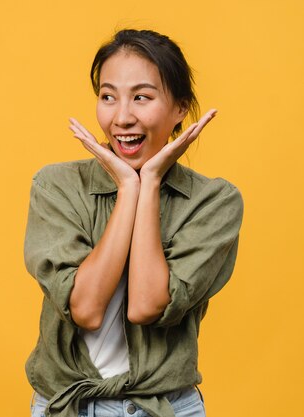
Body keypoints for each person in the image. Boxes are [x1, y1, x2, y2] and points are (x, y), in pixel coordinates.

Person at [24, 29, 243, 417]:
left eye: (141, 97)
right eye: (108, 97)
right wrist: (129, 187)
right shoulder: (56, 186)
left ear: (180, 108)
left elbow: (147, 305)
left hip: (167, 407)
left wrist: (152, 182)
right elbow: (86, 308)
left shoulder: (213, 202)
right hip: (69, 406)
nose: (122, 117)